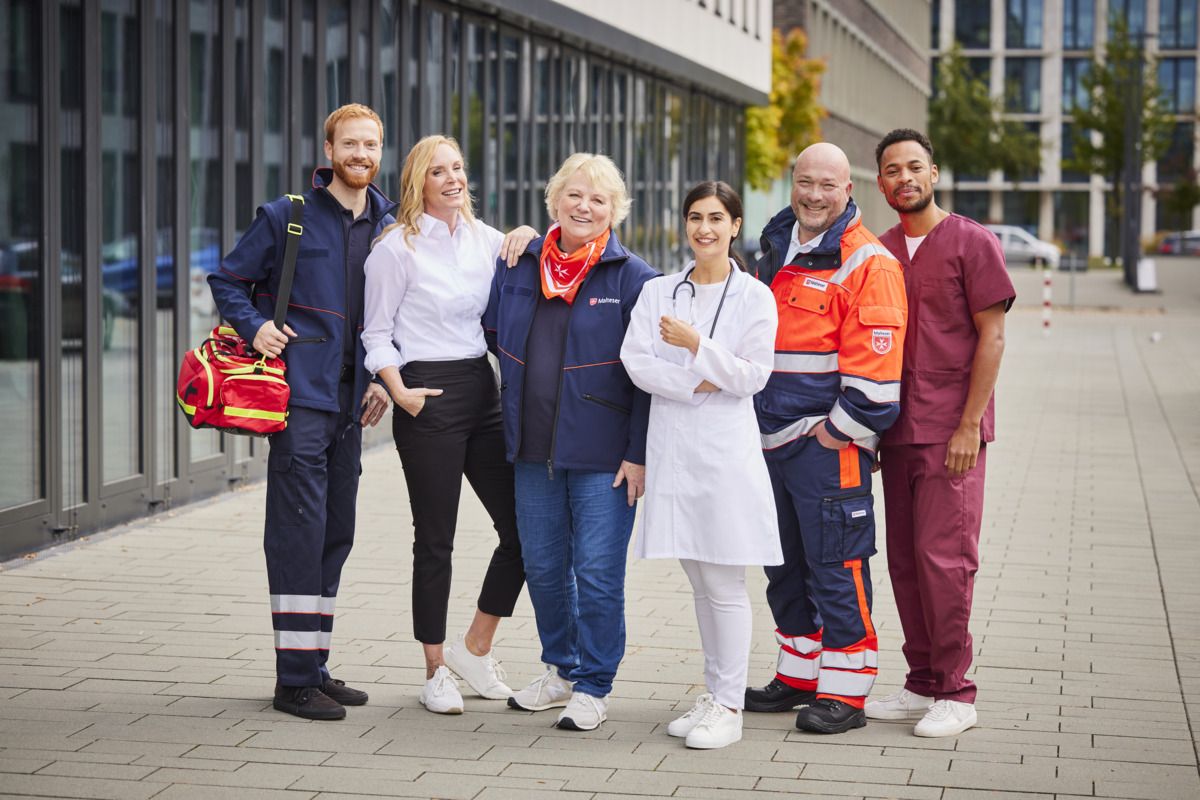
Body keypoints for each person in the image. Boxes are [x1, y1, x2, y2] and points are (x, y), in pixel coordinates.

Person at [208, 103, 394, 720]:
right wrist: (256, 326)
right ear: (330, 148)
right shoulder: (286, 217)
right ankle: (293, 681)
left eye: (370, 144)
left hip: (353, 402)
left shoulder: (392, 226)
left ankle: (314, 662)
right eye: (350, 143)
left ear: (379, 150)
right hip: (298, 400)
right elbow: (228, 280)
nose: (360, 154)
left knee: (335, 531)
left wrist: (383, 381)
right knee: (298, 532)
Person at [361, 135, 538, 715]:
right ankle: (435, 668)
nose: (452, 179)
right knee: (435, 539)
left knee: (523, 531)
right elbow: (375, 332)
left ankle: (475, 648)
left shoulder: (488, 241)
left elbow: (534, 266)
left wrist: (530, 236)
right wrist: (399, 392)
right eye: (439, 171)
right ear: (418, 182)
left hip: (481, 389)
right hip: (425, 395)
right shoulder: (395, 249)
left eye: (458, 167)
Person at [483, 152, 657, 732]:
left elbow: (648, 380)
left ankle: (594, 684)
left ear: (616, 211)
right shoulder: (518, 262)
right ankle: (561, 669)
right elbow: (490, 329)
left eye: (598, 199)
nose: (584, 206)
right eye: (574, 195)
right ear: (554, 199)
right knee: (544, 566)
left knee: (599, 572)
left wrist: (638, 454)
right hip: (531, 450)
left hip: (605, 458)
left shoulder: (635, 279)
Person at [745, 142, 908, 734]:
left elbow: (875, 381)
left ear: (848, 190)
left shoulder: (869, 263)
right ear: (793, 181)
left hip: (826, 448)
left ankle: (847, 691)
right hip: (767, 443)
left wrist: (833, 435)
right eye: (805, 181)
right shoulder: (775, 244)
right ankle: (798, 674)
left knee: (837, 566)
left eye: (827, 185)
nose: (814, 195)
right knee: (782, 568)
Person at [620, 181, 781, 750]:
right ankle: (714, 692)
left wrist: (694, 345)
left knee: (724, 578)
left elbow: (752, 375)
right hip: (675, 449)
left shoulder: (755, 297)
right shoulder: (660, 291)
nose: (704, 228)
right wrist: (700, 382)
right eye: (695, 217)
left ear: (736, 225)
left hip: (724, 455)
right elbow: (634, 361)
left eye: (716, 217)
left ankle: (731, 704)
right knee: (697, 576)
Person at [867, 128, 1014, 737]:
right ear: (881, 183)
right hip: (896, 431)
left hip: (952, 432)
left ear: (934, 172)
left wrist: (968, 424)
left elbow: (993, 337)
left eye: (915, 168)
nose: (905, 178)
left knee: (945, 561)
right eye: (893, 170)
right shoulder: (878, 251)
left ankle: (956, 690)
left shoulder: (971, 243)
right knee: (904, 561)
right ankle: (921, 681)